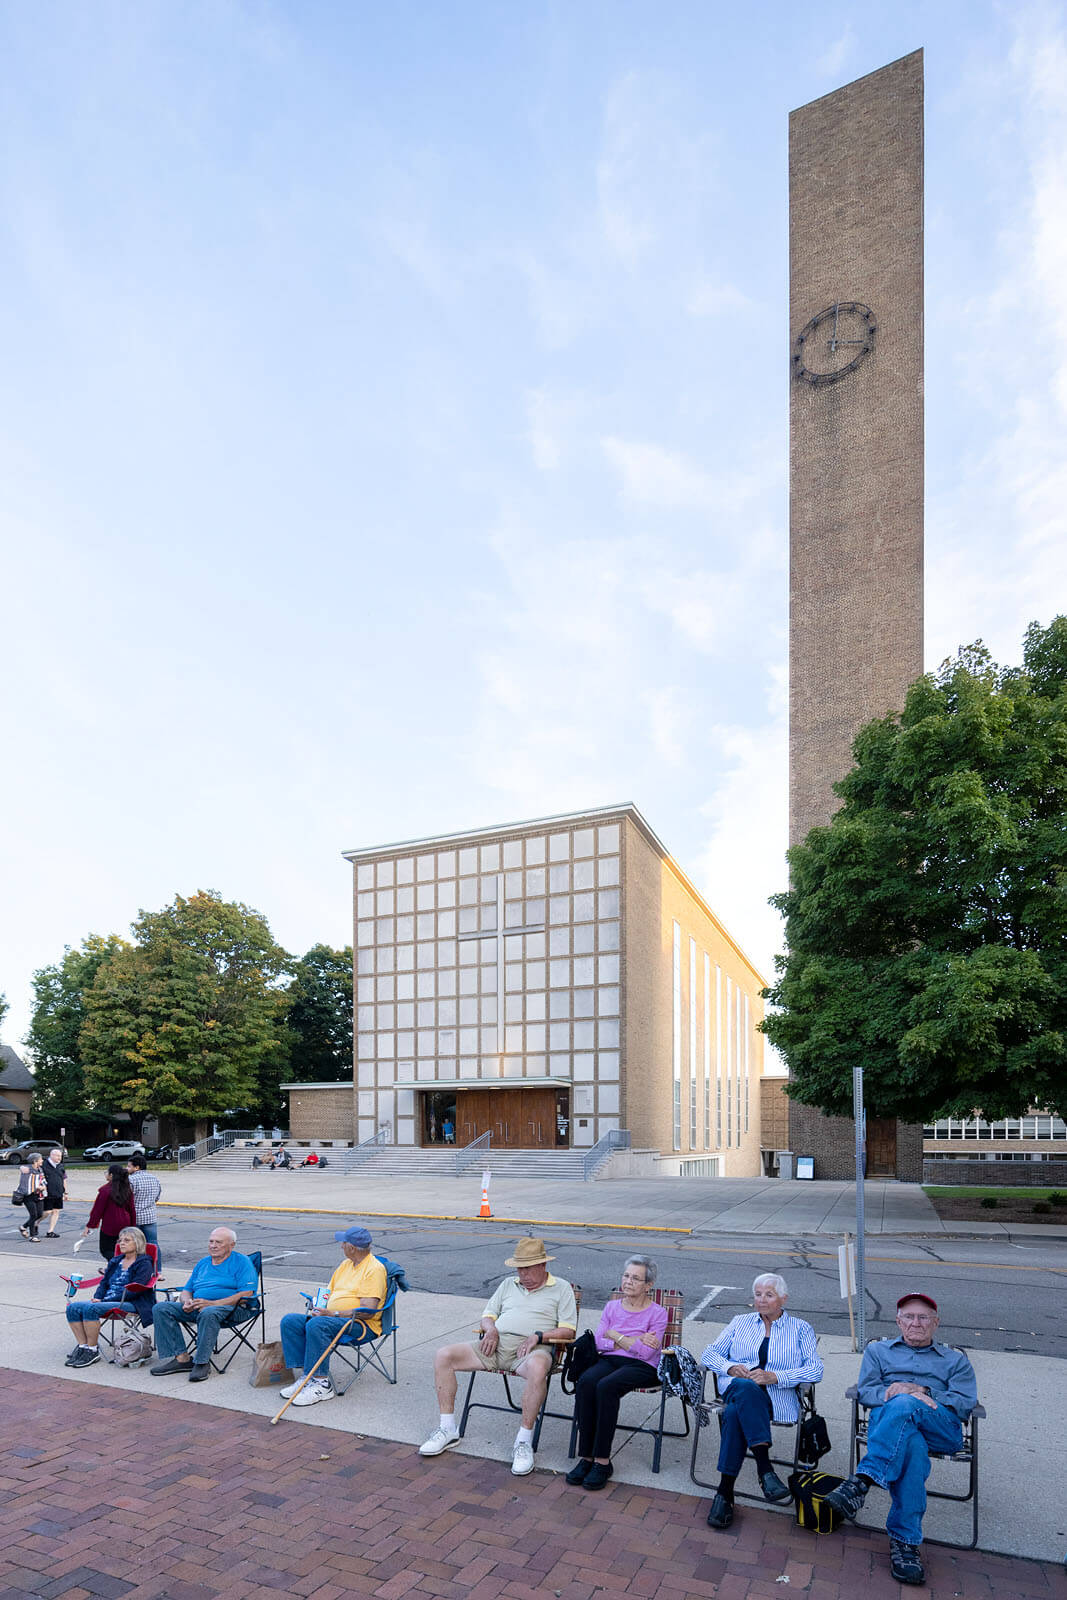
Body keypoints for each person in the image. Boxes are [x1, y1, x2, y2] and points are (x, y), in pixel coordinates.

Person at [824, 1292, 978, 1587]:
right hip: (897, 1429)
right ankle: (905, 1544)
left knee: (906, 1404)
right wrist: (892, 1393)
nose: (916, 1323)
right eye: (909, 1317)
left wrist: (922, 1391)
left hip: (940, 1425)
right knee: (913, 1446)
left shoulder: (954, 1360)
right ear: (898, 1321)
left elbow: (964, 1403)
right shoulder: (878, 1352)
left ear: (936, 1323)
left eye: (923, 1318)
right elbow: (865, 1392)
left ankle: (862, 1481)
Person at [419, 1236, 577, 1476]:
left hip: (533, 1349)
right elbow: (488, 1315)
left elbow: (568, 1330)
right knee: (444, 1355)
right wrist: (490, 1329)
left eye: (527, 1268)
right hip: (494, 1345)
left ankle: (523, 1442)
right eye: (519, 1267)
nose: (522, 1273)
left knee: (537, 1368)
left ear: (543, 1265)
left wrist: (537, 1336)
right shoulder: (508, 1284)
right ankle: (447, 1429)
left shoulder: (562, 1287)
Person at [700, 1273, 823, 1530]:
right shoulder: (739, 1322)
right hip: (738, 1387)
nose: (762, 1300)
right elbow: (709, 1353)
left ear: (783, 1298)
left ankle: (725, 1493)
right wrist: (730, 1367)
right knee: (744, 1386)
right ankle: (765, 1471)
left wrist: (775, 1376)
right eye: (758, 1294)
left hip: (776, 1398)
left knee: (733, 1414)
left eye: (769, 1294)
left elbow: (815, 1371)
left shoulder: (801, 1328)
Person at [566, 1255, 668, 1491]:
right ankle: (586, 1457)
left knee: (606, 1386)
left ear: (648, 1285)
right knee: (586, 1382)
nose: (628, 1282)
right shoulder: (612, 1306)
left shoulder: (658, 1313)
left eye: (635, 1278)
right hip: (610, 1360)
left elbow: (646, 1354)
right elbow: (600, 1343)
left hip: (643, 1368)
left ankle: (602, 1461)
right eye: (626, 1276)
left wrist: (615, 1335)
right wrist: (631, 1339)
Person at [277, 1225, 387, 1406]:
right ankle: (308, 1376)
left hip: (359, 1325)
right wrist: (318, 1305)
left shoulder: (374, 1269)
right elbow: (329, 1292)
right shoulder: (346, 1264)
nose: (340, 1246)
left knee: (317, 1325)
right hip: (332, 1317)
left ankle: (322, 1384)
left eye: (343, 1243)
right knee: (290, 1321)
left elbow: (367, 1312)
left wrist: (333, 1313)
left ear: (351, 1247)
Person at [150, 1226, 259, 1382]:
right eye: (211, 1241)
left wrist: (213, 1303)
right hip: (200, 1306)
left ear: (232, 1245)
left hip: (233, 1308)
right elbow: (188, 1290)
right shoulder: (203, 1263)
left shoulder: (242, 1262)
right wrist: (186, 1301)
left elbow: (246, 1294)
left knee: (209, 1313)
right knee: (161, 1308)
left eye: (219, 1242)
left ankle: (202, 1362)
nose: (213, 1245)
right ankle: (182, 1359)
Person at [64, 1226, 155, 1367]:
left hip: (132, 1302)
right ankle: (83, 1347)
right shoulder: (116, 1261)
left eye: (127, 1240)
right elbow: (104, 1282)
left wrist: (105, 1300)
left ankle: (93, 1351)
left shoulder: (144, 1262)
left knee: (90, 1309)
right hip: (108, 1300)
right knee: (73, 1308)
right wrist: (98, 1297)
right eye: (120, 1240)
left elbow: (136, 1290)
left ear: (137, 1243)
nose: (121, 1243)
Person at [83, 1163, 138, 1261]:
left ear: (111, 1175)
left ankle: (115, 1265)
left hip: (110, 1225)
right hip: (126, 1223)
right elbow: (132, 1210)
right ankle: (118, 1265)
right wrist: (133, 1226)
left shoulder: (105, 1191)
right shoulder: (126, 1189)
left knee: (106, 1249)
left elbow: (97, 1211)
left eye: (107, 1172)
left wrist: (90, 1225)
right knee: (122, 1247)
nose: (106, 1174)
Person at [126, 1153, 164, 1269]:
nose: (127, 1169)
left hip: (135, 1217)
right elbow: (157, 1197)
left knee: (133, 1245)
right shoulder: (154, 1179)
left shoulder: (131, 1180)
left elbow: (127, 1198)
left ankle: (134, 1268)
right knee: (153, 1244)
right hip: (150, 1217)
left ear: (137, 1167)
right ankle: (157, 1270)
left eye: (129, 1166)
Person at [15, 1153, 47, 1241]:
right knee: (33, 1215)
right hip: (28, 1196)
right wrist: (21, 1167)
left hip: (39, 1195)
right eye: (40, 1159)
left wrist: (43, 1187)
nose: (42, 1160)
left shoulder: (40, 1169)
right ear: (35, 1161)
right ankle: (33, 1236)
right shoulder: (27, 1169)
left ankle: (23, 1227)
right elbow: (22, 1168)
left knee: (40, 1214)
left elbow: (43, 1181)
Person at [41, 1147, 68, 1239]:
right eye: (57, 1156)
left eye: (60, 1156)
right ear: (51, 1155)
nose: (59, 1158)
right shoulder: (44, 1165)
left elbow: (64, 1179)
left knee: (56, 1211)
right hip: (47, 1193)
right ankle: (35, 1223)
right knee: (47, 1212)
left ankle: (50, 1231)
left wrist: (65, 1192)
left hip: (59, 1192)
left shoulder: (60, 1166)